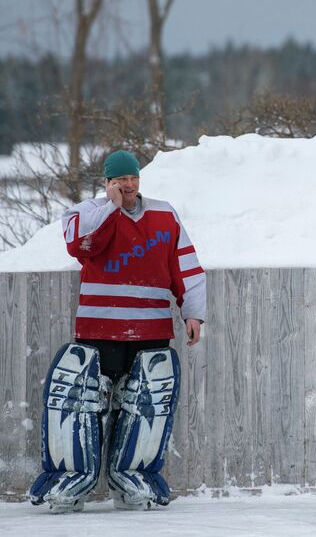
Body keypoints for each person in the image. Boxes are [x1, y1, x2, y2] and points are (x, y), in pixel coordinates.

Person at [29, 150, 206, 512]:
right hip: (100, 329)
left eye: (133, 178)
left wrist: (193, 314)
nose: (128, 185)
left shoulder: (164, 213)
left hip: (151, 329)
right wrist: (110, 207)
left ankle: (132, 477)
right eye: (119, 180)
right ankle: (71, 479)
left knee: (146, 403)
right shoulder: (86, 213)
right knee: (83, 401)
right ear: (107, 182)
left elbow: (185, 266)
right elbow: (82, 245)